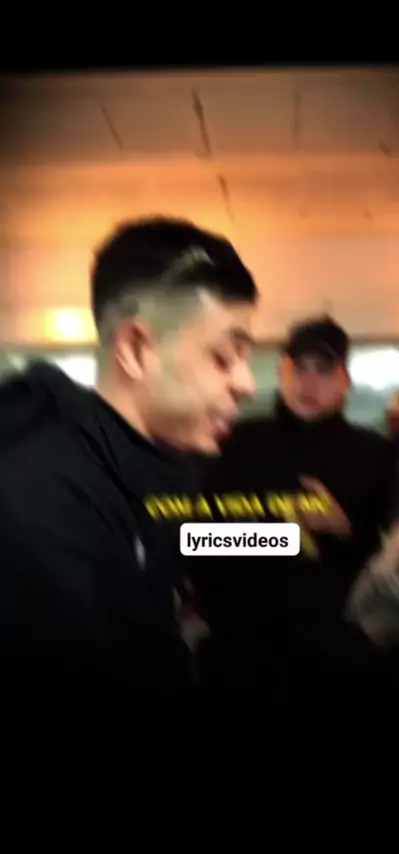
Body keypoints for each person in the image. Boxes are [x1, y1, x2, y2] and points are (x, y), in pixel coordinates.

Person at [0, 216, 258, 722]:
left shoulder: (157, 457)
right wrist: (367, 630)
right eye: (224, 357)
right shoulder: (42, 502)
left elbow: (188, 533)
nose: (246, 383)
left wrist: (291, 534)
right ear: (137, 350)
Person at [191, 316, 399, 717]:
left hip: (337, 667)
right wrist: (280, 536)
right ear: (282, 372)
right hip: (239, 659)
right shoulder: (237, 443)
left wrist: (344, 528)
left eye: (323, 370)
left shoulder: (376, 453)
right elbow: (195, 539)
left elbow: (394, 562)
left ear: (345, 381)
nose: (309, 382)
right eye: (298, 368)